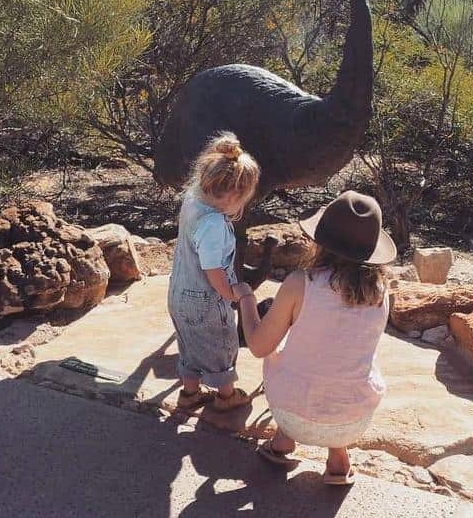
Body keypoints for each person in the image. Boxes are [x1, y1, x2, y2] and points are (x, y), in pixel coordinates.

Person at [238, 190, 395, 486]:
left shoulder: (301, 282)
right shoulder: (381, 292)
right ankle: (338, 459)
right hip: (354, 419)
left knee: (281, 353)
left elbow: (259, 347)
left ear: (320, 240)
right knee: (347, 359)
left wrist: (246, 297)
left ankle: (283, 440)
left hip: (291, 414)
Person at [167, 132, 260, 412]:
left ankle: (190, 393)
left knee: (190, 343)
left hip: (179, 291)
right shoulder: (214, 224)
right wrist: (231, 293)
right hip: (206, 299)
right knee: (221, 345)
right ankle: (226, 396)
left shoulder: (193, 199)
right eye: (243, 198)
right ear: (232, 194)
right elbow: (213, 269)